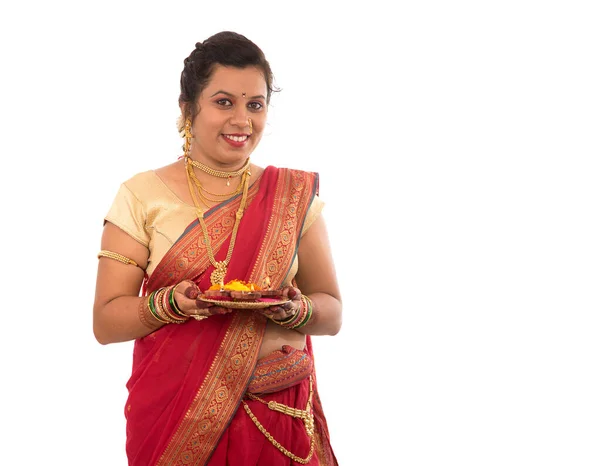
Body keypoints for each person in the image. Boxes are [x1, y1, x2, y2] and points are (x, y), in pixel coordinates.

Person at [93, 31, 342, 466]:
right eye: (224, 102)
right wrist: (171, 304)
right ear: (188, 108)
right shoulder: (141, 195)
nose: (242, 120)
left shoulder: (291, 196)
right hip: (177, 418)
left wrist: (297, 309)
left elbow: (333, 311)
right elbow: (106, 322)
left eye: (255, 104)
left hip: (277, 416)